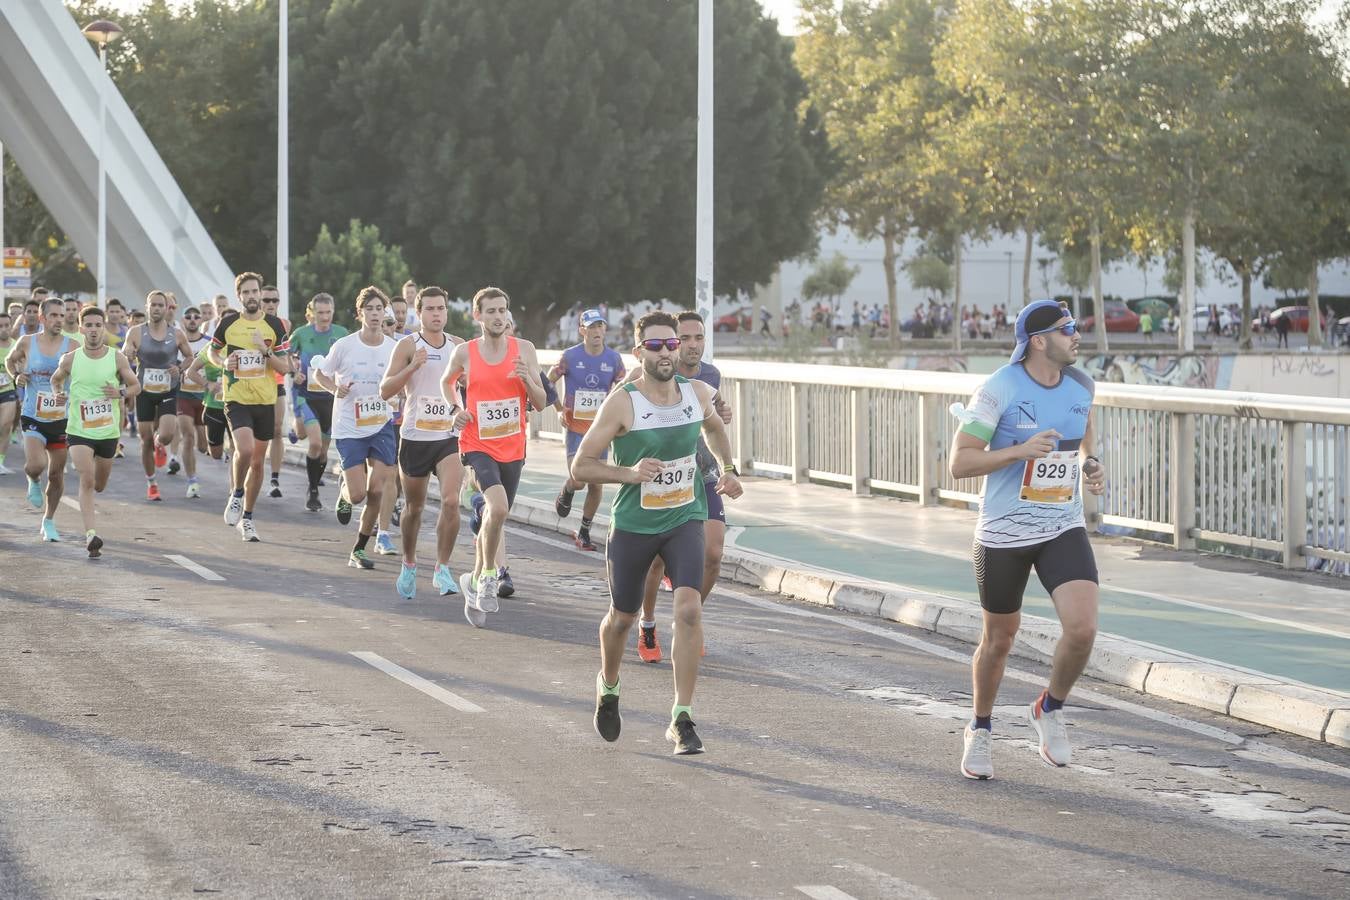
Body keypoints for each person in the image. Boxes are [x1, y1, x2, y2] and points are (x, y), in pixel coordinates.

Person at [572, 310, 743, 755]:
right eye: (657, 345)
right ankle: (608, 686)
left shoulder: (698, 391)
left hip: (684, 516)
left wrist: (729, 468)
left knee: (688, 611)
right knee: (622, 619)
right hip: (634, 525)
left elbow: (714, 427)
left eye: (672, 345)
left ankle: (681, 718)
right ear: (638, 351)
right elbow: (581, 465)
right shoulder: (623, 402)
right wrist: (629, 473)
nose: (668, 352)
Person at [949, 299, 1106, 780]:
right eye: (1068, 329)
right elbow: (960, 463)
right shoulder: (999, 388)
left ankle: (1049, 708)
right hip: (1003, 533)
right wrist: (1019, 450)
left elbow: (1081, 435)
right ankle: (980, 728)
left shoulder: (1082, 384)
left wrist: (1090, 465)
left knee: (1082, 630)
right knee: (999, 641)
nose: (1077, 335)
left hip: (1062, 524)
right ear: (1038, 341)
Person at [632, 311, 732, 663]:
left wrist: (728, 464)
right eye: (684, 339)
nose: (692, 346)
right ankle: (646, 623)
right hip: (661, 476)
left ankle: (687, 620)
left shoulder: (711, 376)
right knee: (656, 563)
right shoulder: (646, 373)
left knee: (714, 555)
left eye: (698, 338)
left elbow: (716, 422)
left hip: (701, 474)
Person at [444, 287, 547, 621]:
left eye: (503, 310)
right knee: (497, 506)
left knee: (496, 517)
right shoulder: (465, 353)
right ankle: (489, 575)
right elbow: (447, 383)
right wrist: (455, 409)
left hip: (513, 447)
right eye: (491, 311)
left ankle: (473, 581)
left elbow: (542, 401)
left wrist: (527, 378)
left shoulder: (525, 350)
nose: (498, 317)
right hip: (476, 443)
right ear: (478, 316)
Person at [380, 286, 465, 599]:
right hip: (416, 436)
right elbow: (385, 390)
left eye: (441, 308)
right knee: (414, 508)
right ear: (419, 313)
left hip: (449, 436)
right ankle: (409, 562)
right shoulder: (407, 345)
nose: (437, 314)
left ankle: (442, 568)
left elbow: (472, 382)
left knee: (452, 501)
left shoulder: (458, 345)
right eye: (430, 309)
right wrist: (412, 366)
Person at [311, 286, 399, 571]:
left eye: (379, 309)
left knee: (378, 490)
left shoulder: (393, 347)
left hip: (381, 424)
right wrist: (335, 388)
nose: (375, 314)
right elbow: (320, 373)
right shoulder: (345, 346)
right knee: (359, 494)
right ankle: (346, 492)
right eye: (370, 309)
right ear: (360, 312)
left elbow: (403, 380)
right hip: (349, 426)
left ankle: (358, 550)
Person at [50, 305, 140, 557]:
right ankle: (91, 535)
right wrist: (59, 395)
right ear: (81, 329)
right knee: (86, 479)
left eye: (97, 325)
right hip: (79, 429)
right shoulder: (70, 359)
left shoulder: (116, 357)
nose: (92, 330)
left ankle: (92, 528)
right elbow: (56, 380)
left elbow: (135, 386)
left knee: (99, 484)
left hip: (108, 432)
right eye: (88, 325)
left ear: (103, 329)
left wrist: (120, 392)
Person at [210, 271, 291, 541]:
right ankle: (236, 494)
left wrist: (265, 350)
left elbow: (286, 367)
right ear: (239, 296)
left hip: (265, 400)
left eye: (255, 291)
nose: (252, 296)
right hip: (236, 398)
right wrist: (223, 362)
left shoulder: (275, 326)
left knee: (258, 464)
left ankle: (247, 518)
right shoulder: (229, 323)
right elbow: (212, 350)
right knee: (243, 450)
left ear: (260, 293)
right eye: (246, 292)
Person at [550, 308, 627, 551]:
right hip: (575, 426)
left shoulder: (614, 360)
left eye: (600, 326)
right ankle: (568, 488)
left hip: (600, 429)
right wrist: (559, 408)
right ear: (582, 330)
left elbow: (626, 388)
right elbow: (548, 380)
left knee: (596, 483)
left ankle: (584, 530)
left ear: (605, 329)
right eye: (591, 327)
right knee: (580, 479)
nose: (596, 331)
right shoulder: (569, 357)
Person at [4, 298, 76, 540]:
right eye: (54, 315)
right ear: (43, 318)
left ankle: (49, 520)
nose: (59, 320)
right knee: (36, 465)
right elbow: (10, 361)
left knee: (56, 475)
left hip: (60, 418)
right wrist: (17, 376)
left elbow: (81, 375)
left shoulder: (72, 345)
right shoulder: (27, 342)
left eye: (62, 315)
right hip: (33, 413)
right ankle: (32, 479)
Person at [123, 290, 193, 501]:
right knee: (144, 440)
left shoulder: (176, 334)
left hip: (167, 390)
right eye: (152, 305)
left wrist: (179, 369)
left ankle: (159, 441)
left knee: (167, 435)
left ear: (166, 309)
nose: (156, 308)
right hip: (144, 390)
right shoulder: (136, 332)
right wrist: (129, 351)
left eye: (160, 305)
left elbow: (190, 357)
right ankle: (152, 482)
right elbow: (128, 349)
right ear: (147, 307)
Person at [288, 292, 348, 511]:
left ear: (333, 311)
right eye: (320, 313)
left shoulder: (341, 334)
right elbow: (286, 354)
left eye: (328, 312)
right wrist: (294, 371)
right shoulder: (301, 334)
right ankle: (313, 491)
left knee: (322, 451)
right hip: (307, 396)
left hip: (331, 400)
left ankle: (313, 485)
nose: (324, 317)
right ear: (312, 313)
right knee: (313, 443)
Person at [173, 305, 213, 496]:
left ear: (201, 321)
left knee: (204, 446)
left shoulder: (210, 342)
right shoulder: (176, 343)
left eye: (196, 317)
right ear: (183, 321)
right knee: (188, 435)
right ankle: (192, 481)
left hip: (205, 397)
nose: (192, 320)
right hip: (183, 396)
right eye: (188, 316)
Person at [260, 287, 291, 497]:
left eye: (275, 300)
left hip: (276, 381)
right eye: (267, 300)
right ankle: (253, 472)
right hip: (253, 384)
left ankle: (275, 478)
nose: (271, 304)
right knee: (258, 435)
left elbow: (285, 357)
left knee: (277, 429)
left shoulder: (284, 324)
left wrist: (293, 370)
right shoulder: (249, 324)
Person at [0, 311, 18, 473]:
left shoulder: (16, 346)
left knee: (5, 425)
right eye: (0, 326)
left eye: (7, 325)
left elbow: (22, 365)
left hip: (8, 390)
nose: (4, 329)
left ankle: (0, 461)